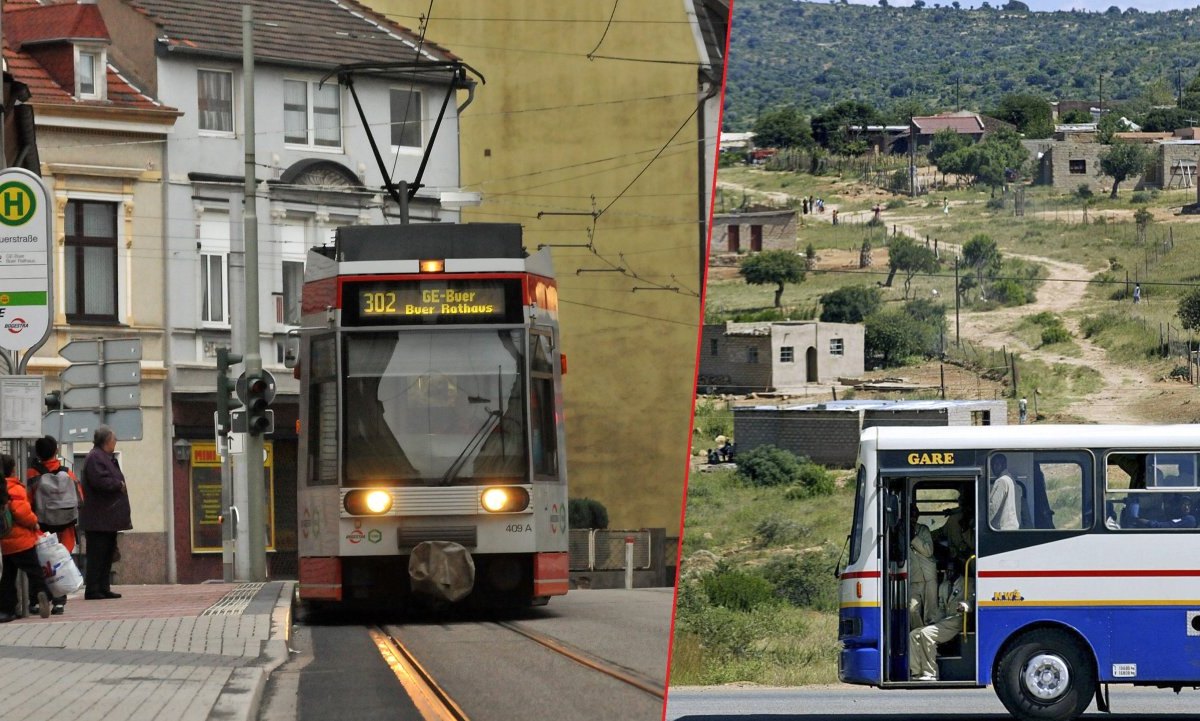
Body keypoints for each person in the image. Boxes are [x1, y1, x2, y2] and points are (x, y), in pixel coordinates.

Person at [27, 435, 82, 615]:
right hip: (65, 528)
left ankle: (36, 599)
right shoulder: (68, 473)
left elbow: (28, 500)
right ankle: (59, 602)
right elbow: (80, 498)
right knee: (61, 564)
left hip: (41, 527)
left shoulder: (32, 474)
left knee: (41, 564)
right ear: (56, 451)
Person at [80, 425, 132, 600]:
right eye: (114, 439)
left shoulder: (105, 457)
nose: (116, 442)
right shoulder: (95, 457)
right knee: (97, 554)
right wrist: (118, 485)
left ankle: (103, 587)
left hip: (107, 518)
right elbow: (99, 481)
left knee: (106, 553)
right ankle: (93, 589)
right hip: (98, 518)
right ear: (107, 441)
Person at [0, 454, 51, 622]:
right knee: (34, 571)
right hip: (22, 540)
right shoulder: (15, 488)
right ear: (13, 470)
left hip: (6, 540)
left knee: (8, 576)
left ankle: (7, 610)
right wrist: (34, 523)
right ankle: (41, 594)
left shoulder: (2, 487)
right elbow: (22, 512)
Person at [909, 564, 971, 681]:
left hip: (958, 620)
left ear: (958, 571)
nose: (948, 573)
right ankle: (916, 672)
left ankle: (931, 673)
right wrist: (933, 621)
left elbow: (973, 600)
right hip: (945, 621)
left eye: (951, 570)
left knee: (926, 634)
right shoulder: (943, 586)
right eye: (947, 570)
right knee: (913, 635)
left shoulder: (968, 582)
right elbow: (942, 608)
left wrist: (965, 606)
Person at [908, 501, 937, 630]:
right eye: (911, 515)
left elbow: (928, 551)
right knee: (912, 610)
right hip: (913, 578)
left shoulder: (923, 530)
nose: (914, 518)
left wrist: (913, 538)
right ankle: (919, 635)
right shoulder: (901, 532)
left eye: (916, 515)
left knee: (931, 614)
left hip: (929, 576)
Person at [988, 453, 1019, 530]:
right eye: (992, 465)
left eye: (997, 464)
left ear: (1004, 465)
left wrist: (981, 521)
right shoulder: (1011, 479)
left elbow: (993, 506)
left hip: (1003, 527)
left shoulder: (1001, 481)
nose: (994, 467)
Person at [1130, 495, 1196, 529]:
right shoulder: (1175, 515)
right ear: (1179, 506)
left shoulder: (1190, 519)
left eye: (1189, 505)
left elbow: (1167, 526)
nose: (1186, 507)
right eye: (1184, 504)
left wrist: (1147, 522)